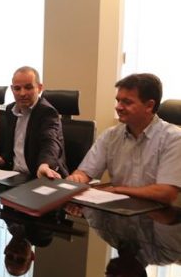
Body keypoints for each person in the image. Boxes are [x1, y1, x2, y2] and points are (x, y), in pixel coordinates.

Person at [68, 73, 181, 204]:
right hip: (117, 210)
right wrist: (77, 179)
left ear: (149, 106)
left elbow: (166, 192)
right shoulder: (110, 135)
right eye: (118, 101)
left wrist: (118, 190)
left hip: (156, 213)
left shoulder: (173, 138)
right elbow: (85, 172)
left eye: (127, 102)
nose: (118, 107)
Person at [0, 66, 67, 178]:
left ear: (39, 88)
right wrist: (2, 159)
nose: (22, 93)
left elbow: (50, 142)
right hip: (14, 177)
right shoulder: (10, 110)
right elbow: (12, 148)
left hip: (39, 176)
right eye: (17, 88)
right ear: (12, 89)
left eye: (28, 87)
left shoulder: (47, 112)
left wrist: (45, 165)